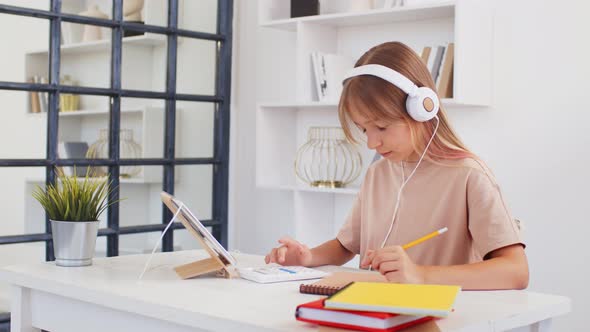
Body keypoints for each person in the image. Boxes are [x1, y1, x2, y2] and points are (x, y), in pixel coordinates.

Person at [264, 42, 528, 290]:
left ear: (420, 109)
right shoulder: (377, 173)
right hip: (371, 311)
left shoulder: (469, 175)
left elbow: (516, 271)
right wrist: (308, 257)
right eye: (363, 129)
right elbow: (345, 245)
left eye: (381, 127)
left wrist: (420, 275)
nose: (371, 142)